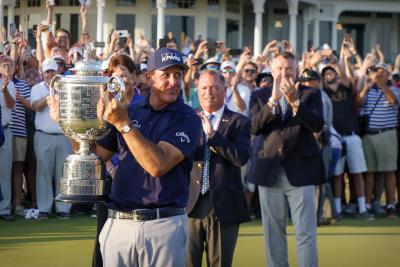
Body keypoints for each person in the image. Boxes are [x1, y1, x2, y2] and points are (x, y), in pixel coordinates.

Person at [49, 47, 201, 266]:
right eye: (165, 75)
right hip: (119, 223)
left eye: (178, 75)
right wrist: (67, 125)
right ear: (149, 77)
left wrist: (124, 125)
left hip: (163, 225)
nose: (173, 81)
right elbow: (97, 156)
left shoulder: (188, 118)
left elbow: (158, 165)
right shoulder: (131, 110)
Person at [250, 51, 325, 267]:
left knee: (306, 234)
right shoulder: (258, 96)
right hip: (269, 171)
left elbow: (317, 125)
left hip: (302, 170)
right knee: (273, 236)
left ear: (297, 70)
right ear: (272, 70)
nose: (284, 72)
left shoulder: (312, 94)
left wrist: (296, 102)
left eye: (289, 68)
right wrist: (273, 101)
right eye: (280, 68)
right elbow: (254, 127)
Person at [185, 70, 251, 267]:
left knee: (220, 263)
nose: (209, 92)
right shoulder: (187, 119)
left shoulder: (239, 121)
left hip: (223, 204)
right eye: (204, 88)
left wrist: (214, 136)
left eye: (214, 87)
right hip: (189, 203)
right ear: (197, 90)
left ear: (224, 90)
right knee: (187, 262)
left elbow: (241, 157)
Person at [31, 58, 73, 220]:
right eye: (47, 71)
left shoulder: (67, 89)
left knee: (64, 173)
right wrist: (50, 97)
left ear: (58, 72)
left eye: (52, 71)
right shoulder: (37, 88)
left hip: (64, 136)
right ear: (42, 73)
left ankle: (63, 208)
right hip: (43, 135)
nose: (49, 74)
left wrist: (58, 93)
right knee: (43, 173)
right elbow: (36, 106)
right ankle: (44, 208)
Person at [358, 63, 399, 219]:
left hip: (386, 134)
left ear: (388, 75)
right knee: (369, 172)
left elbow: (393, 100)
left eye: (382, 73)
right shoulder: (368, 90)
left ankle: (390, 205)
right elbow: (357, 103)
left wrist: (381, 84)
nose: (379, 75)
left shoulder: (394, 89)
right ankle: (368, 204)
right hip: (368, 135)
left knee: (389, 171)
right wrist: (366, 87)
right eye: (377, 72)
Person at [0, 66, 16, 222]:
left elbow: (11, 105)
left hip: (4, 131)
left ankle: (4, 209)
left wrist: (4, 90)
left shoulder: (9, 83)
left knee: (5, 173)